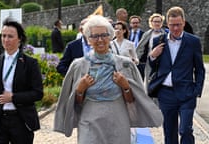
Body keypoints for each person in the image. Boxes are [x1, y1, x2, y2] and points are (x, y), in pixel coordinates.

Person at [54, 15, 163, 144]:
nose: (100, 40)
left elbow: (133, 101)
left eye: (104, 35)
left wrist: (126, 86)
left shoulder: (125, 64)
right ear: (88, 39)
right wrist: (80, 89)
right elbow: (76, 104)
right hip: (90, 122)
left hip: (118, 121)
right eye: (94, 36)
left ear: (111, 36)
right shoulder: (79, 65)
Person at [0, 17, 43, 144]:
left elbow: (37, 93)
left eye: (10, 36)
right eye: (3, 36)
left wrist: (13, 97)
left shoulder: (30, 63)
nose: (6, 40)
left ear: (19, 39)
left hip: (21, 120)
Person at [149, 6, 205, 144]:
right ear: (167, 24)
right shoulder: (159, 41)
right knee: (169, 131)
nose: (175, 28)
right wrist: (152, 57)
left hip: (186, 93)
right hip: (166, 94)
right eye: (172, 25)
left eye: (178, 25)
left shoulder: (193, 42)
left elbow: (199, 69)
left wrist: (197, 90)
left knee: (185, 130)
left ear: (184, 23)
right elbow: (153, 67)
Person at [136, 13, 167, 81]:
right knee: (148, 80)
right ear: (151, 23)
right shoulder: (147, 34)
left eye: (159, 21)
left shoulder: (165, 34)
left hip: (162, 61)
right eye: (155, 21)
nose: (157, 23)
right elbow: (141, 47)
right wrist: (136, 58)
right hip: (149, 60)